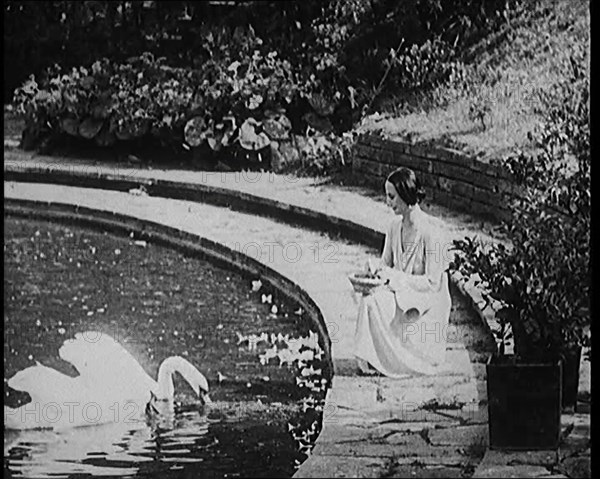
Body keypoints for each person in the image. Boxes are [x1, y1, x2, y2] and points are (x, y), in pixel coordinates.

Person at [353, 167, 452, 377]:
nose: (388, 203)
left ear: (406, 195)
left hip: (425, 303)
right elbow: (385, 264)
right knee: (369, 300)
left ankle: (397, 359)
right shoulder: (393, 227)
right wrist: (374, 271)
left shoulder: (430, 232)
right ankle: (369, 359)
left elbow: (433, 284)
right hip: (401, 294)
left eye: (391, 197)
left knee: (375, 301)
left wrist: (397, 278)